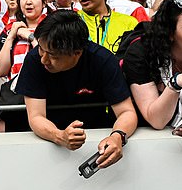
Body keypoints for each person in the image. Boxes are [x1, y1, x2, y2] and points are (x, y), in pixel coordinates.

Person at [15, 10, 137, 169]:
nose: (44, 60)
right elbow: (36, 116)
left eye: (53, 55)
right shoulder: (34, 60)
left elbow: (126, 112)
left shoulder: (103, 61)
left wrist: (117, 137)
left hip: (95, 137)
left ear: (77, 53)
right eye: (41, 49)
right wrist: (59, 136)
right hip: (49, 143)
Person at [120, 0, 182, 142]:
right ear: (170, 33)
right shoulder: (140, 53)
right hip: (147, 142)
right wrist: (175, 84)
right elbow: (156, 120)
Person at [0, 0, 49, 132]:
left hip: (46, 96)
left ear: (44, 2)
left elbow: (49, 60)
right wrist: (11, 36)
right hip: (17, 98)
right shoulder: (11, 29)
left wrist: (31, 38)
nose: (28, 2)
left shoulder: (52, 27)